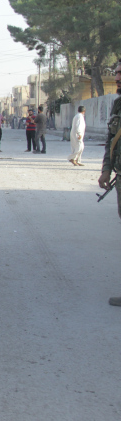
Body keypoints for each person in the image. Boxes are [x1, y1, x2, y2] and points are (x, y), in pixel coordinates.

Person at [99, 61, 121, 306]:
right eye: (116, 73)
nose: (117, 78)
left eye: (120, 74)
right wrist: (106, 169)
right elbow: (111, 139)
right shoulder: (118, 104)